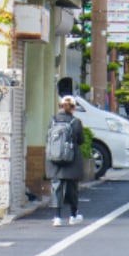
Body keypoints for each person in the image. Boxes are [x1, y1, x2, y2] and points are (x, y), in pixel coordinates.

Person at [45, 96, 85, 226]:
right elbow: (81, 140)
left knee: (56, 186)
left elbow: (48, 138)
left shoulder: (52, 121)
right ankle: (73, 216)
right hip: (71, 159)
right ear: (73, 108)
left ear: (60, 106)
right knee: (72, 188)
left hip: (54, 159)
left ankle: (57, 217)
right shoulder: (76, 122)